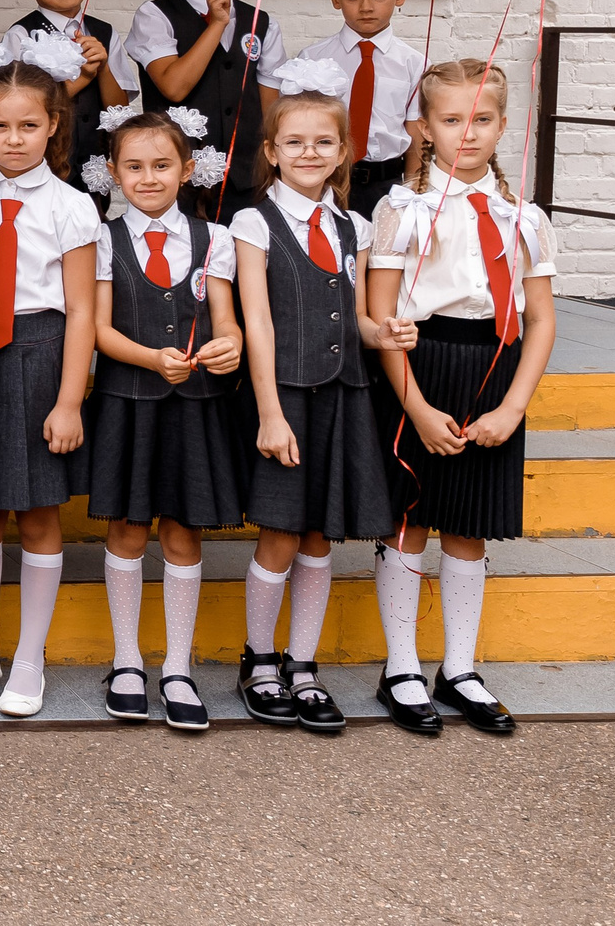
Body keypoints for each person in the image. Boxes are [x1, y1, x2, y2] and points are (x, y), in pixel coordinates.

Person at [366, 59, 557, 738]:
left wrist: (513, 407)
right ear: (424, 127)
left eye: (481, 119)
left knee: (468, 524)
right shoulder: (402, 210)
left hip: (494, 370)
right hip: (419, 364)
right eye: (451, 120)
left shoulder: (524, 217)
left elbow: (541, 319)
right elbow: (382, 317)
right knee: (410, 516)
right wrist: (413, 404)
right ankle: (400, 667)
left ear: (503, 126)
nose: (466, 133)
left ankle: (460, 666)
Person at [230, 57, 401, 736]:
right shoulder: (253, 222)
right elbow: (259, 320)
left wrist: (384, 331)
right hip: (286, 396)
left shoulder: (351, 226)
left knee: (319, 536)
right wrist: (269, 411)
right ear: (271, 151)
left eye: (323, 142)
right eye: (295, 142)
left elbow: (354, 315)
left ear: (342, 152)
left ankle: (304, 663)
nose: (309, 152)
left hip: (344, 394)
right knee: (279, 532)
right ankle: (260, 658)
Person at [0, 35, 97, 720]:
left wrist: (70, 399)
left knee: (37, 512)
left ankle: (29, 658)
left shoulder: (72, 206)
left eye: (29, 124)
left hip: (40, 352)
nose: (14, 138)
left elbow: (83, 313)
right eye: (1, 124)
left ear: (54, 125)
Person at [80, 108, 244, 731]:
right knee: (126, 530)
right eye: (134, 167)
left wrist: (228, 345)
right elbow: (98, 328)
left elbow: (224, 319)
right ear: (114, 174)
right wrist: (150, 358)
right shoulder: (103, 238)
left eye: (161, 165)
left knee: (181, 533)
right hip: (129, 401)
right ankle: (126, 662)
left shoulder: (214, 238)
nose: (149, 178)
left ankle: (177, 667)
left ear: (187, 169)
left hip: (195, 408)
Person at [122, 0, 286, 223]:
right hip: (175, 185)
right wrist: (217, 24)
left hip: (247, 183)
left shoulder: (262, 24)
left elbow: (271, 113)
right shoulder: (154, 15)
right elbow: (174, 86)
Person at [300, 0, 425, 218]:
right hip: (326, 181)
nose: (366, 7)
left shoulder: (414, 64)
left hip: (388, 183)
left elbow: (415, 131)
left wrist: (413, 189)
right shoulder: (313, 59)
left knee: (383, 260)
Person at [12, 0, 124, 209]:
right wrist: (84, 76)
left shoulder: (105, 33)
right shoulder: (21, 36)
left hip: (92, 173)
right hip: (41, 172)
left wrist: (104, 68)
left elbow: (119, 109)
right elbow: (22, 107)